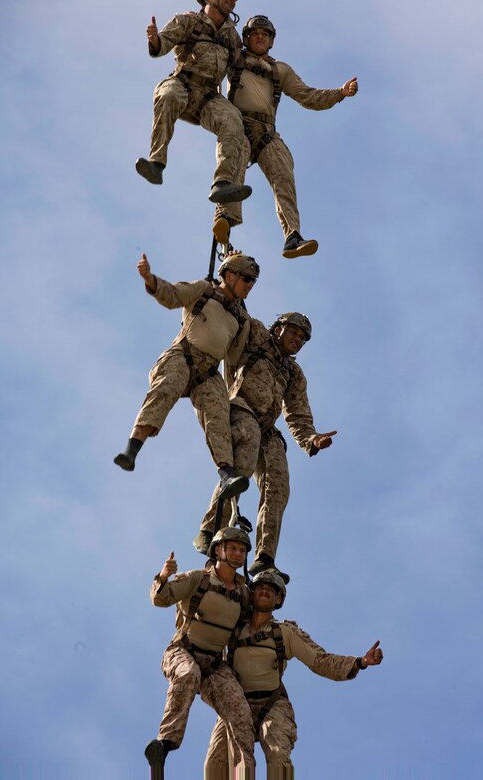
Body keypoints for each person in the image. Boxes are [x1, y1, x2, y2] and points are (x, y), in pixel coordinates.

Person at [193, 312, 336, 582]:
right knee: (243, 463)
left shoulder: (293, 373)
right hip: (242, 408)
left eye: (303, 339)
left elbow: (297, 414)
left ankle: (264, 558)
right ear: (279, 328)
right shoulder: (256, 334)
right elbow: (233, 315)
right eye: (294, 332)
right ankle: (211, 530)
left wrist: (312, 439)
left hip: (268, 426)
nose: (298, 340)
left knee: (279, 484)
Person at [204, 570, 384, 779]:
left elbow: (319, 661)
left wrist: (360, 662)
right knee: (216, 763)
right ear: (251, 594)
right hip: (234, 705)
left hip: (272, 705)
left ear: (278, 599)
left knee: (278, 754)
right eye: (260, 588)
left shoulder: (284, 632)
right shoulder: (232, 628)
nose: (264, 592)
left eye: (271, 590)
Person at [114, 251, 259, 501]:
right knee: (165, 390)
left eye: (253, 281)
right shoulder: (204, 290)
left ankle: (226, 473)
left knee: (218, 416)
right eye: (246, 278)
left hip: (208, 372)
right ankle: (132, 449)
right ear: (230, 275)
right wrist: (150, 279)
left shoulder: (241, 319)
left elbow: (236, 358)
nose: (250, 285)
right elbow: (172, 295)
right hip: (183, 356)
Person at [211, 15, 359, 257]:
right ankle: (225, 218)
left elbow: (309, 96)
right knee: (233, 161)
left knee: (284, 176)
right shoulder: (234, 58)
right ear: (246, 38)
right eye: (255, 33)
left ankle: (292, 236)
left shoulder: (280, 70)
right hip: (238, 124)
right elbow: (213, 54)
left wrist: (340, 93)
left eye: (265, 34)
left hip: (267, 132)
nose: (260, 37)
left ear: (271, 41)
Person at [145, 529, 256, 779]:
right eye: (233, 548)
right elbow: (160, 598)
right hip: (183, 652)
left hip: (215, 664)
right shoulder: (198, 579)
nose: (238, 554)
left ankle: (245, 770)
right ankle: (164, 745)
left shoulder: (244, 593)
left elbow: (252, 626)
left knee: (240, 710)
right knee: (187, 674)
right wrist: (164, 575)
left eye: (242, 550)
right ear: (218, 550)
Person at [135, 0, 253, 205]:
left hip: (209, 96)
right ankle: (156, 163)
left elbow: (238, 73)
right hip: (184, 83)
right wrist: (154, 40)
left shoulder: (231, 36)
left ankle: (223, 183)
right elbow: (162, 45)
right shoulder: (188, 21)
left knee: (232, 119)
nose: (233, 0)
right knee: (167, 95)